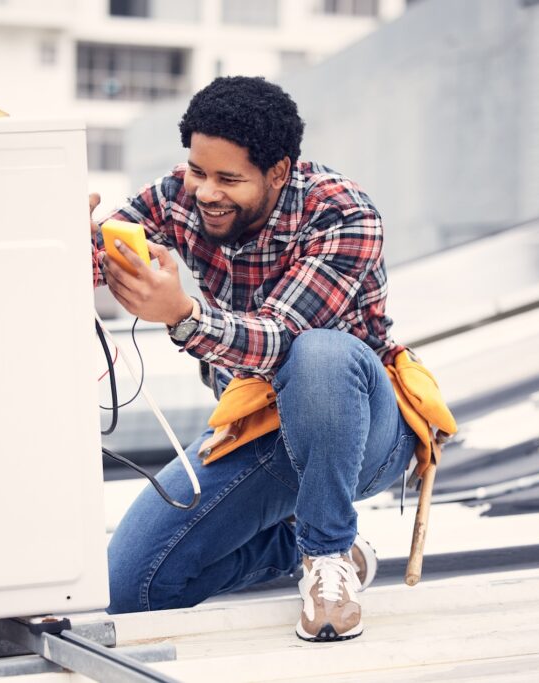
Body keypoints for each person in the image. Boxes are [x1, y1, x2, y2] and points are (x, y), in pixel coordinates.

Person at [90, 76, 416, 642]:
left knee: (321, 353)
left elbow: (279, 338)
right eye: (197, 170)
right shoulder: (178, 197)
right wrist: (61, 239)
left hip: (360, 431)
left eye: (228, 178)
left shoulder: (343, 214)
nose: (206, 192)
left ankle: (327, 554)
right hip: (258, 427)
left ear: (279, 172)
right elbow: (96, 260)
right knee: (132, 589)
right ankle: (290, 548)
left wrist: (182, 314)